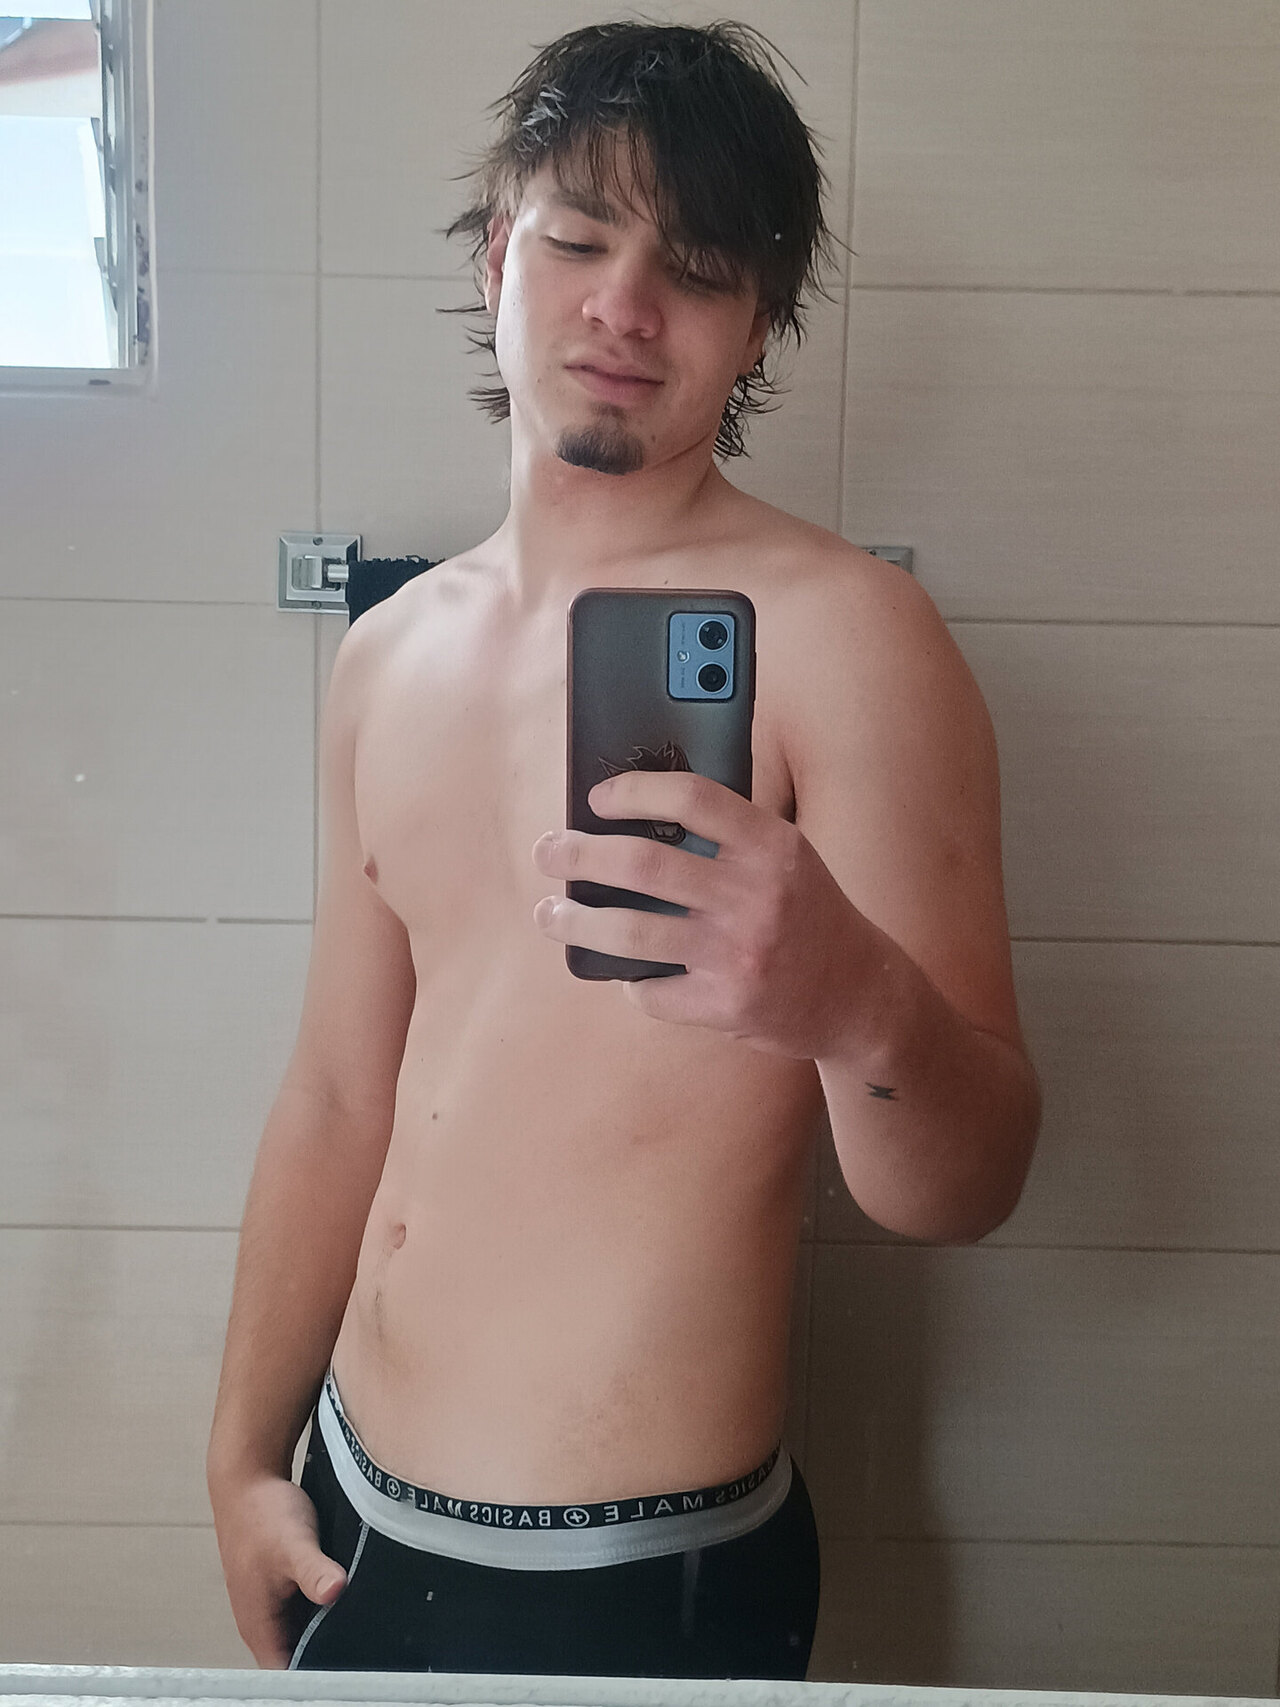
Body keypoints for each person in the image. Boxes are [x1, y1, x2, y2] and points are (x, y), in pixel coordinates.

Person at [206, 18, 1041, 1681]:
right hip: (347, 1502)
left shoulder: (853, 643)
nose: (625, 307)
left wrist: (853, 1001)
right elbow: (338, 1094)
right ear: (499, 257)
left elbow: (966, 1187)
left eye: (700, 269)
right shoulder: (388, 655)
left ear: (757, 326)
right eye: (581, 239)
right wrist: (239, 1458)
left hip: (635, 1569)